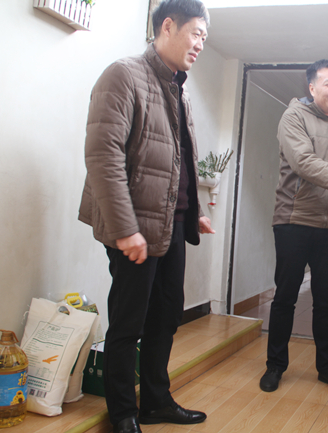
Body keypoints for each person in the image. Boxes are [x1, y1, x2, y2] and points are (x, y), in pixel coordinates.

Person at [77, 1, 214, 432]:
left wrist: (193, 212)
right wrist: (125, 229)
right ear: (167, 26)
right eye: (196, 33)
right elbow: (103, 158)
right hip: (134, 227)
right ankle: (122, 413)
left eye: (205, 38)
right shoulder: (123, 74)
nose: (200, 44)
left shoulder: (178, 88)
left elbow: (180, 160)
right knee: (129, 322)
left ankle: (155, 401)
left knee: (166, 316)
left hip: (171, 224)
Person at [259, 59, 328, 395]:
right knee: (285, 297)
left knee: (326, 301)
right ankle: (275, 366)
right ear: (312, 87)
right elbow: (304, 163)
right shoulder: (293, 116)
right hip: (294, 219)